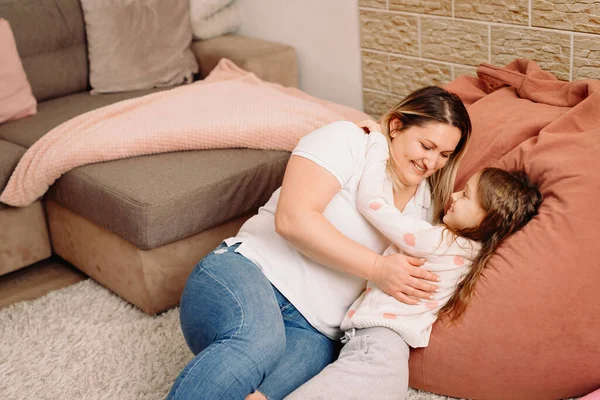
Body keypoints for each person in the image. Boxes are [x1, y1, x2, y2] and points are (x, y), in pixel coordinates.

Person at [166, 86, 472, 400]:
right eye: (426, 145)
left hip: (314, 332)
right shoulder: (350, 141)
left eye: (445, 155)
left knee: (262, 394)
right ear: (395, 127)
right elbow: (292, 220)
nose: (432, 162)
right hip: (248, 273)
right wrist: (379, 267)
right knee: (260, 342)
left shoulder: (426, 210)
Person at [286, 131, 543, 400]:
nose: (454, 196)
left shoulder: (438, 240)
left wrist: (377, 145)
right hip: (389, 343)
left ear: (486, 219)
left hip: (383, 337)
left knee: (363, 385)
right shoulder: (474, 253)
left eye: (466, 196)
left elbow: (373, 204)